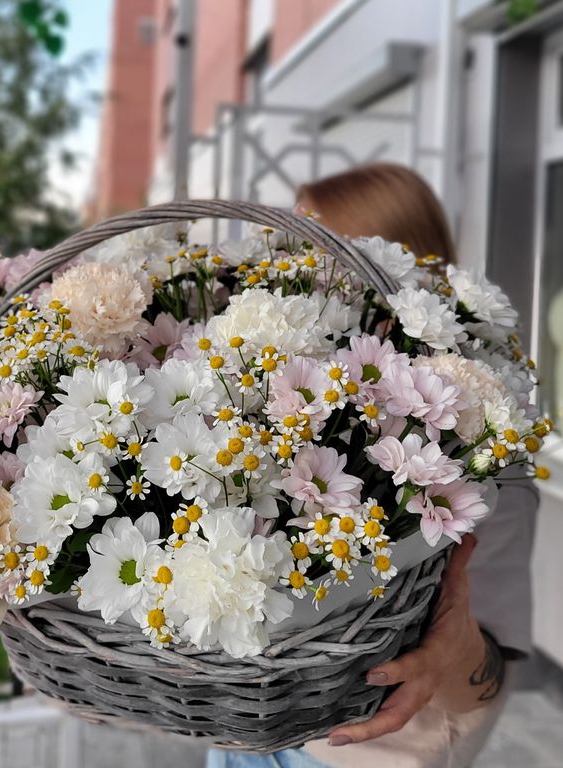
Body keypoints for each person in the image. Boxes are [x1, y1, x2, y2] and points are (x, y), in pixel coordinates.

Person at [207, 163, 539, 768]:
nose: (286, 277)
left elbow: (486, 683)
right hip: (250, 735)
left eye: (314, 254)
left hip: (363, 757)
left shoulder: (484, 455)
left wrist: (458, 653)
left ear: (392, 270)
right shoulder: (305, 411)